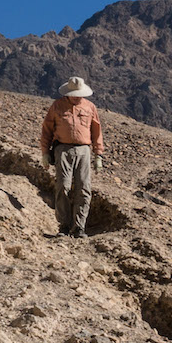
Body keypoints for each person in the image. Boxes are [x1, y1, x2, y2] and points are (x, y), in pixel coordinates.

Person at [40, 76, 104, 238]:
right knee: (63, 186)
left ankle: (79, 227)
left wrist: (98, 155)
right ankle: (64, 226)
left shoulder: (90, 107)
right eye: (74, 94)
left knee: (84, 188)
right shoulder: (57, 106)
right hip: (62, 150)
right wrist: (45, 153)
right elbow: (47, 130)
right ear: (68, 93)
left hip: (84, 150)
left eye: (79, 94)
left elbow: (96, 131)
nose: (77, 97)